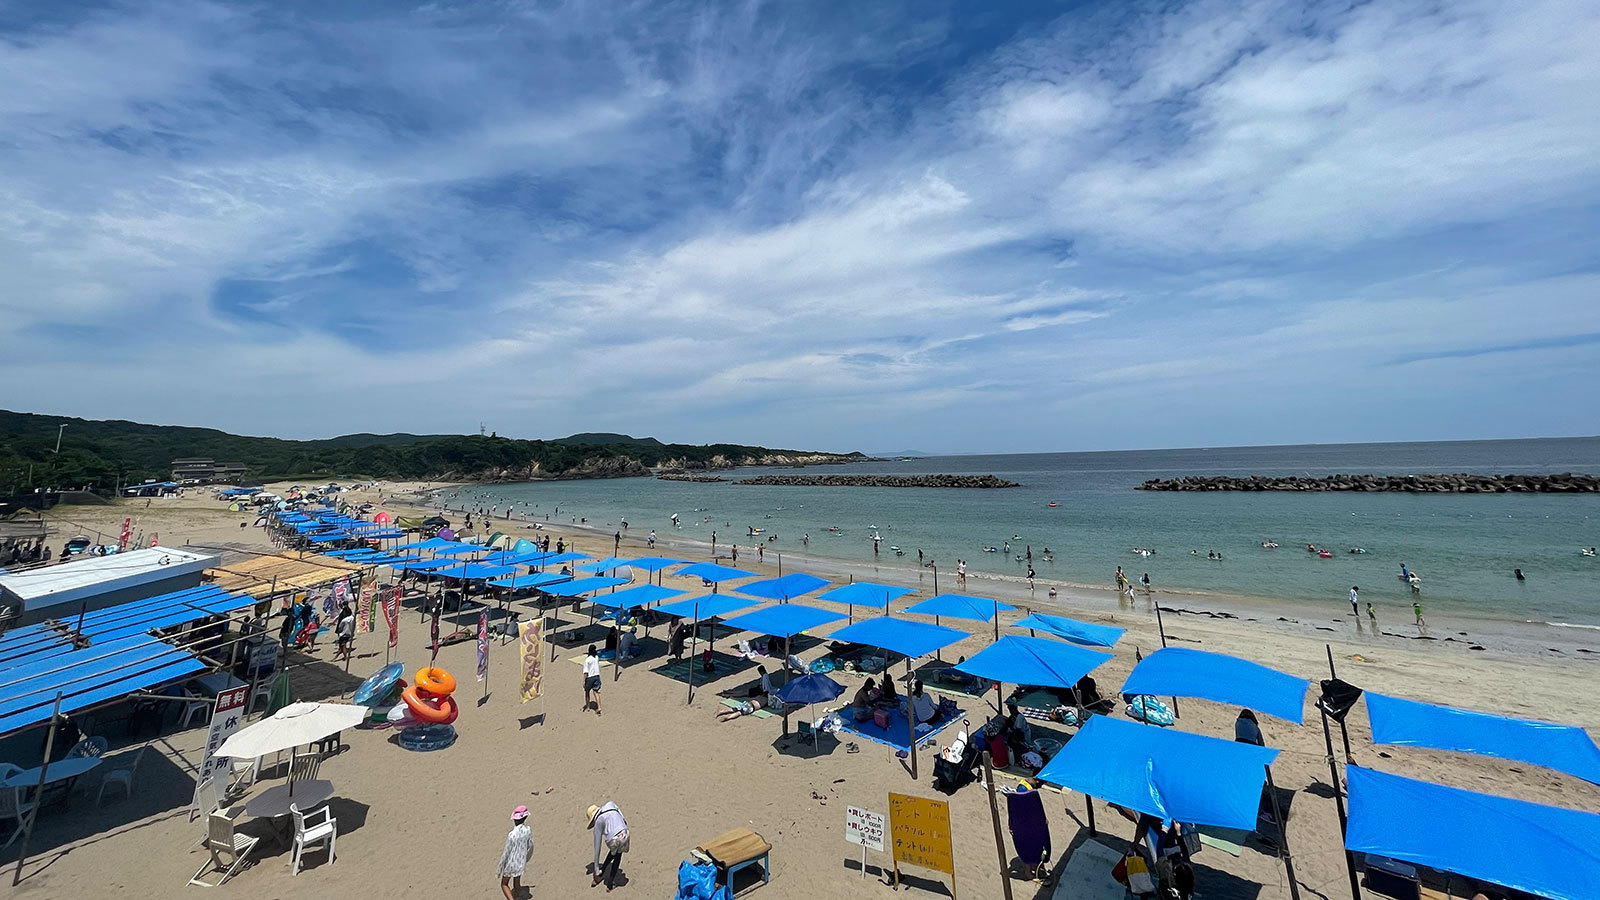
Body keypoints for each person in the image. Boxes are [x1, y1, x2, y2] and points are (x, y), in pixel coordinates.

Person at [588, 802, 629, 891]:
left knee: (614, 850)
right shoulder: (610, 804)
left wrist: (596, 869)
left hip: (613, 839)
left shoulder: (598, 822)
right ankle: (609, 884)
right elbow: (621, 816)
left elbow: (597, 847)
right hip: (625, 832)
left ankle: (600, 875)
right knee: (617, 854)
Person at [499, 805, 534, 900]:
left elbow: (506, 852)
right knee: (517, 883)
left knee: (504, 884)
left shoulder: (512, 835)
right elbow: (530, 846)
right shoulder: (528, 830)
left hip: (511, 863)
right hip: (521, 862)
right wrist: (526, 859)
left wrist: (501, 867)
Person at [582, 645, 603, 715]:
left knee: (587, 692)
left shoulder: (587, 660)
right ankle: (599, 707)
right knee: (596, 692)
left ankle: (588, 706)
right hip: (597, 676)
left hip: (590, 677)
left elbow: (586, 672)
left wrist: (584, 681)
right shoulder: (596, 658)